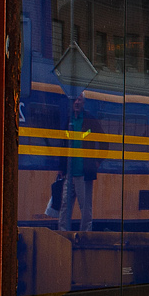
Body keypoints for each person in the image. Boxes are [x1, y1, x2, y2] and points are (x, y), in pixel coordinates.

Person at [58, 94, 101, 234]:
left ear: (83, 103)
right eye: (75, 100)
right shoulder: (69, 121)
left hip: (84, 173)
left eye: (79, 100)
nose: (76, 102)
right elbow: (63, 145)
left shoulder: (89, 121)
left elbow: (105, 141)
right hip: (69, 174)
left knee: (85, 207)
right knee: (65, 205)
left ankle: (85, 234)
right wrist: (61, 168)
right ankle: (63, 233)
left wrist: (97, 161)